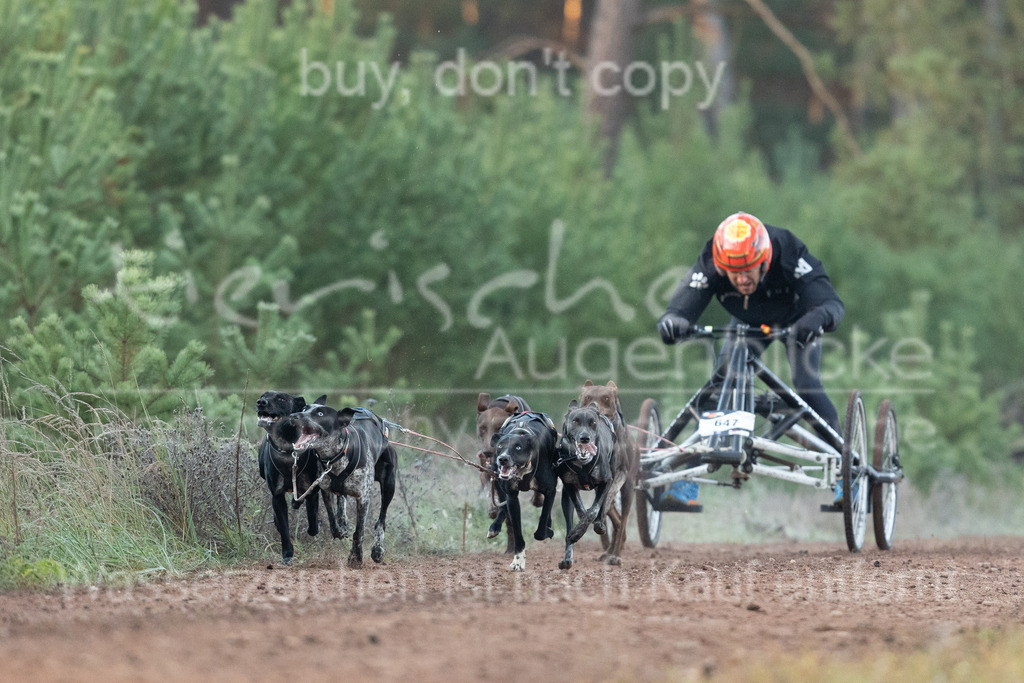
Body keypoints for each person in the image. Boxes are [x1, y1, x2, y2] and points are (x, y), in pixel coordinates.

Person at [656, 212, 845, 505]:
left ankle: (847, 473)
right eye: (733, 273)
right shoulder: (714, 259)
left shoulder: (789, 252)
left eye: (749, 270)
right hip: (747, 325)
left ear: (765, 261)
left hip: (798, 323)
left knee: (806, 386)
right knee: (719, 385)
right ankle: (687, 482)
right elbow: (681, 306)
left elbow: (832, 304)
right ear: (721, 266)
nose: (742, 279)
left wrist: (817, 317)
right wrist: (673, 321)